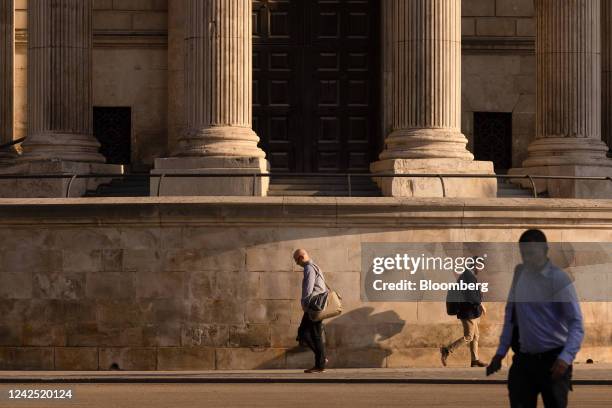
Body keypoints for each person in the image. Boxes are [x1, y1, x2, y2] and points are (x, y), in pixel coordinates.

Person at [487, 229, 584, 408]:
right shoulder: (519, 276)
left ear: (545, 251)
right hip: (524, 361)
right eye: (524, 254)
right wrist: (500, 353)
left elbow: (576, 323)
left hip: (554, 361)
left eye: (532, 253)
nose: (528, 259)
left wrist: (565, 358)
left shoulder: (559, 279)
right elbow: (510, 316)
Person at [440, 259, 488, 367]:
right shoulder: (468, 277)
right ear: (475, 265)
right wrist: (480, 304)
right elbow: (470, 295)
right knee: (469, 336)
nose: (480, 269)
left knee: (476, 336)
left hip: (471, 311)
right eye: (479, 266)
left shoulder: (468, 275)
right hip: (468, 312)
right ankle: (447, 350)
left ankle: (475, 360)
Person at [293, 249, 328, 373]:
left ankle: (321, 362)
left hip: (313, 306)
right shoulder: (315, 266)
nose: (297, 264)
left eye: (296, 260)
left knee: (304, 333)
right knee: (315, 335)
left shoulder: (309, 268)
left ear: (301, 257)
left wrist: (304, 305)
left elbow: (308, 288)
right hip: (318, 305)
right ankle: (321, 362)